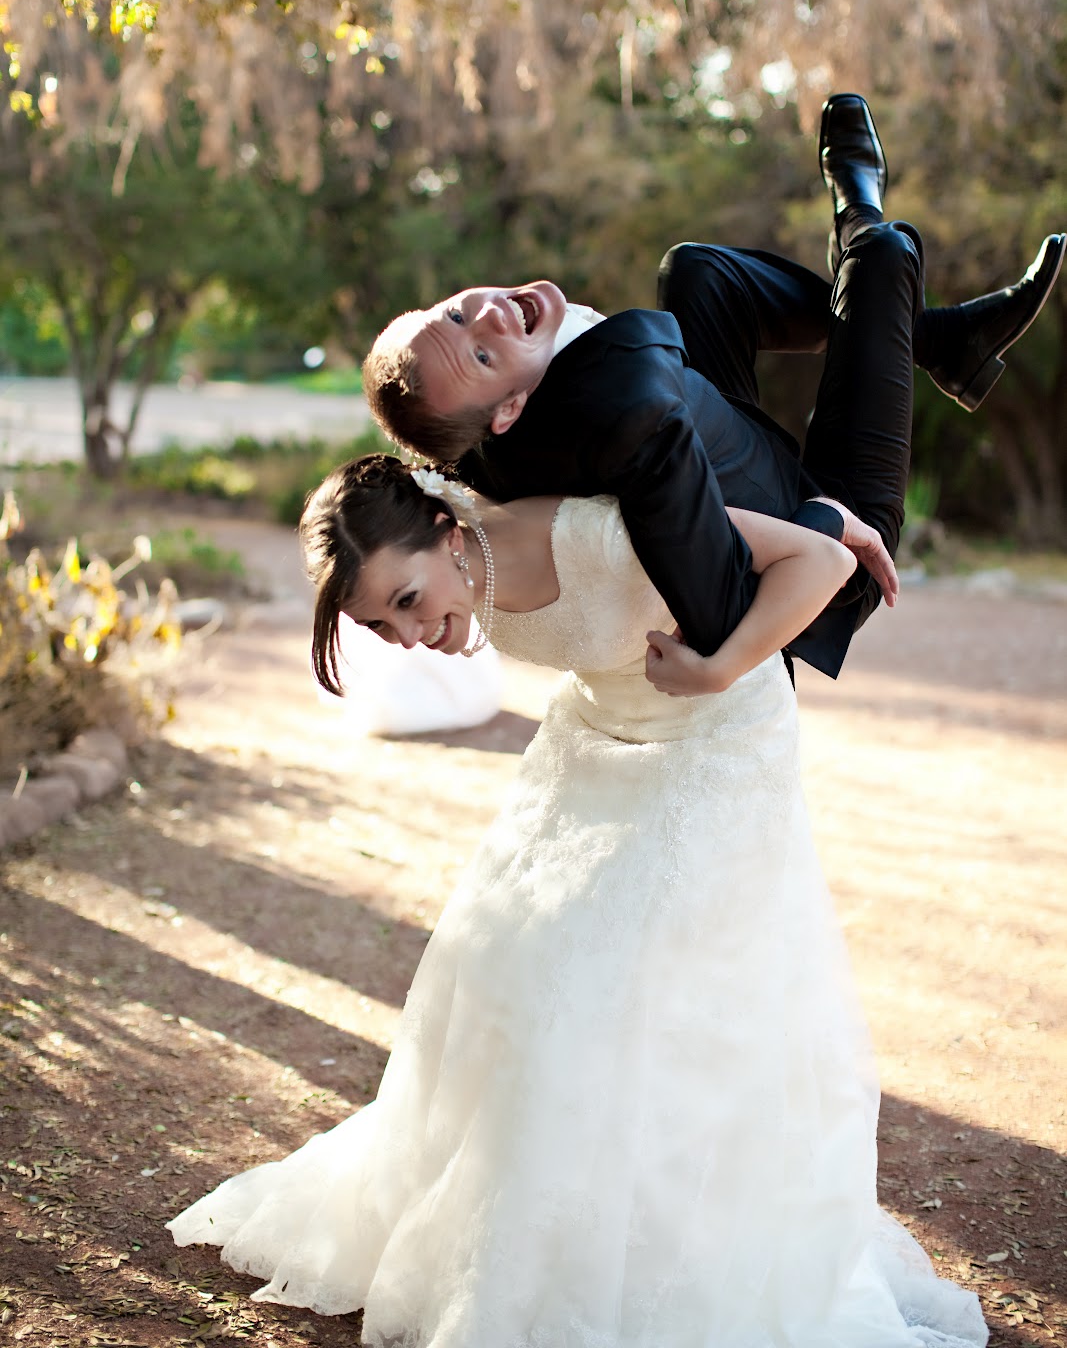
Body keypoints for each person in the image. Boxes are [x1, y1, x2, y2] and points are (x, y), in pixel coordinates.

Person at [168, 455, 987, 1348]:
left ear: (447, 532)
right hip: (593, 738)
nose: (405, 635)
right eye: (379, 624)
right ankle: (529, 1221)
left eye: (405, 600)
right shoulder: (464, 556)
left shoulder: (596, 534)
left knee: (633, 985)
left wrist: (722, 662)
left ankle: (668, 1245)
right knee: (502, 968)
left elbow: (819, 566)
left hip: (714, 732)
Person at [362, 95, 1064, 680]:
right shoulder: (624, 419)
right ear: (510, 410)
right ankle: (865, 221)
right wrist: (826, 526)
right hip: (825, 540)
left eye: (452, 313)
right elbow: (721, 591)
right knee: (882, 254)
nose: (484, 314)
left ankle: (941, 341)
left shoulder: (489, 422)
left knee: (698, 271)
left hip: (727, 434)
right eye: (483, 357)